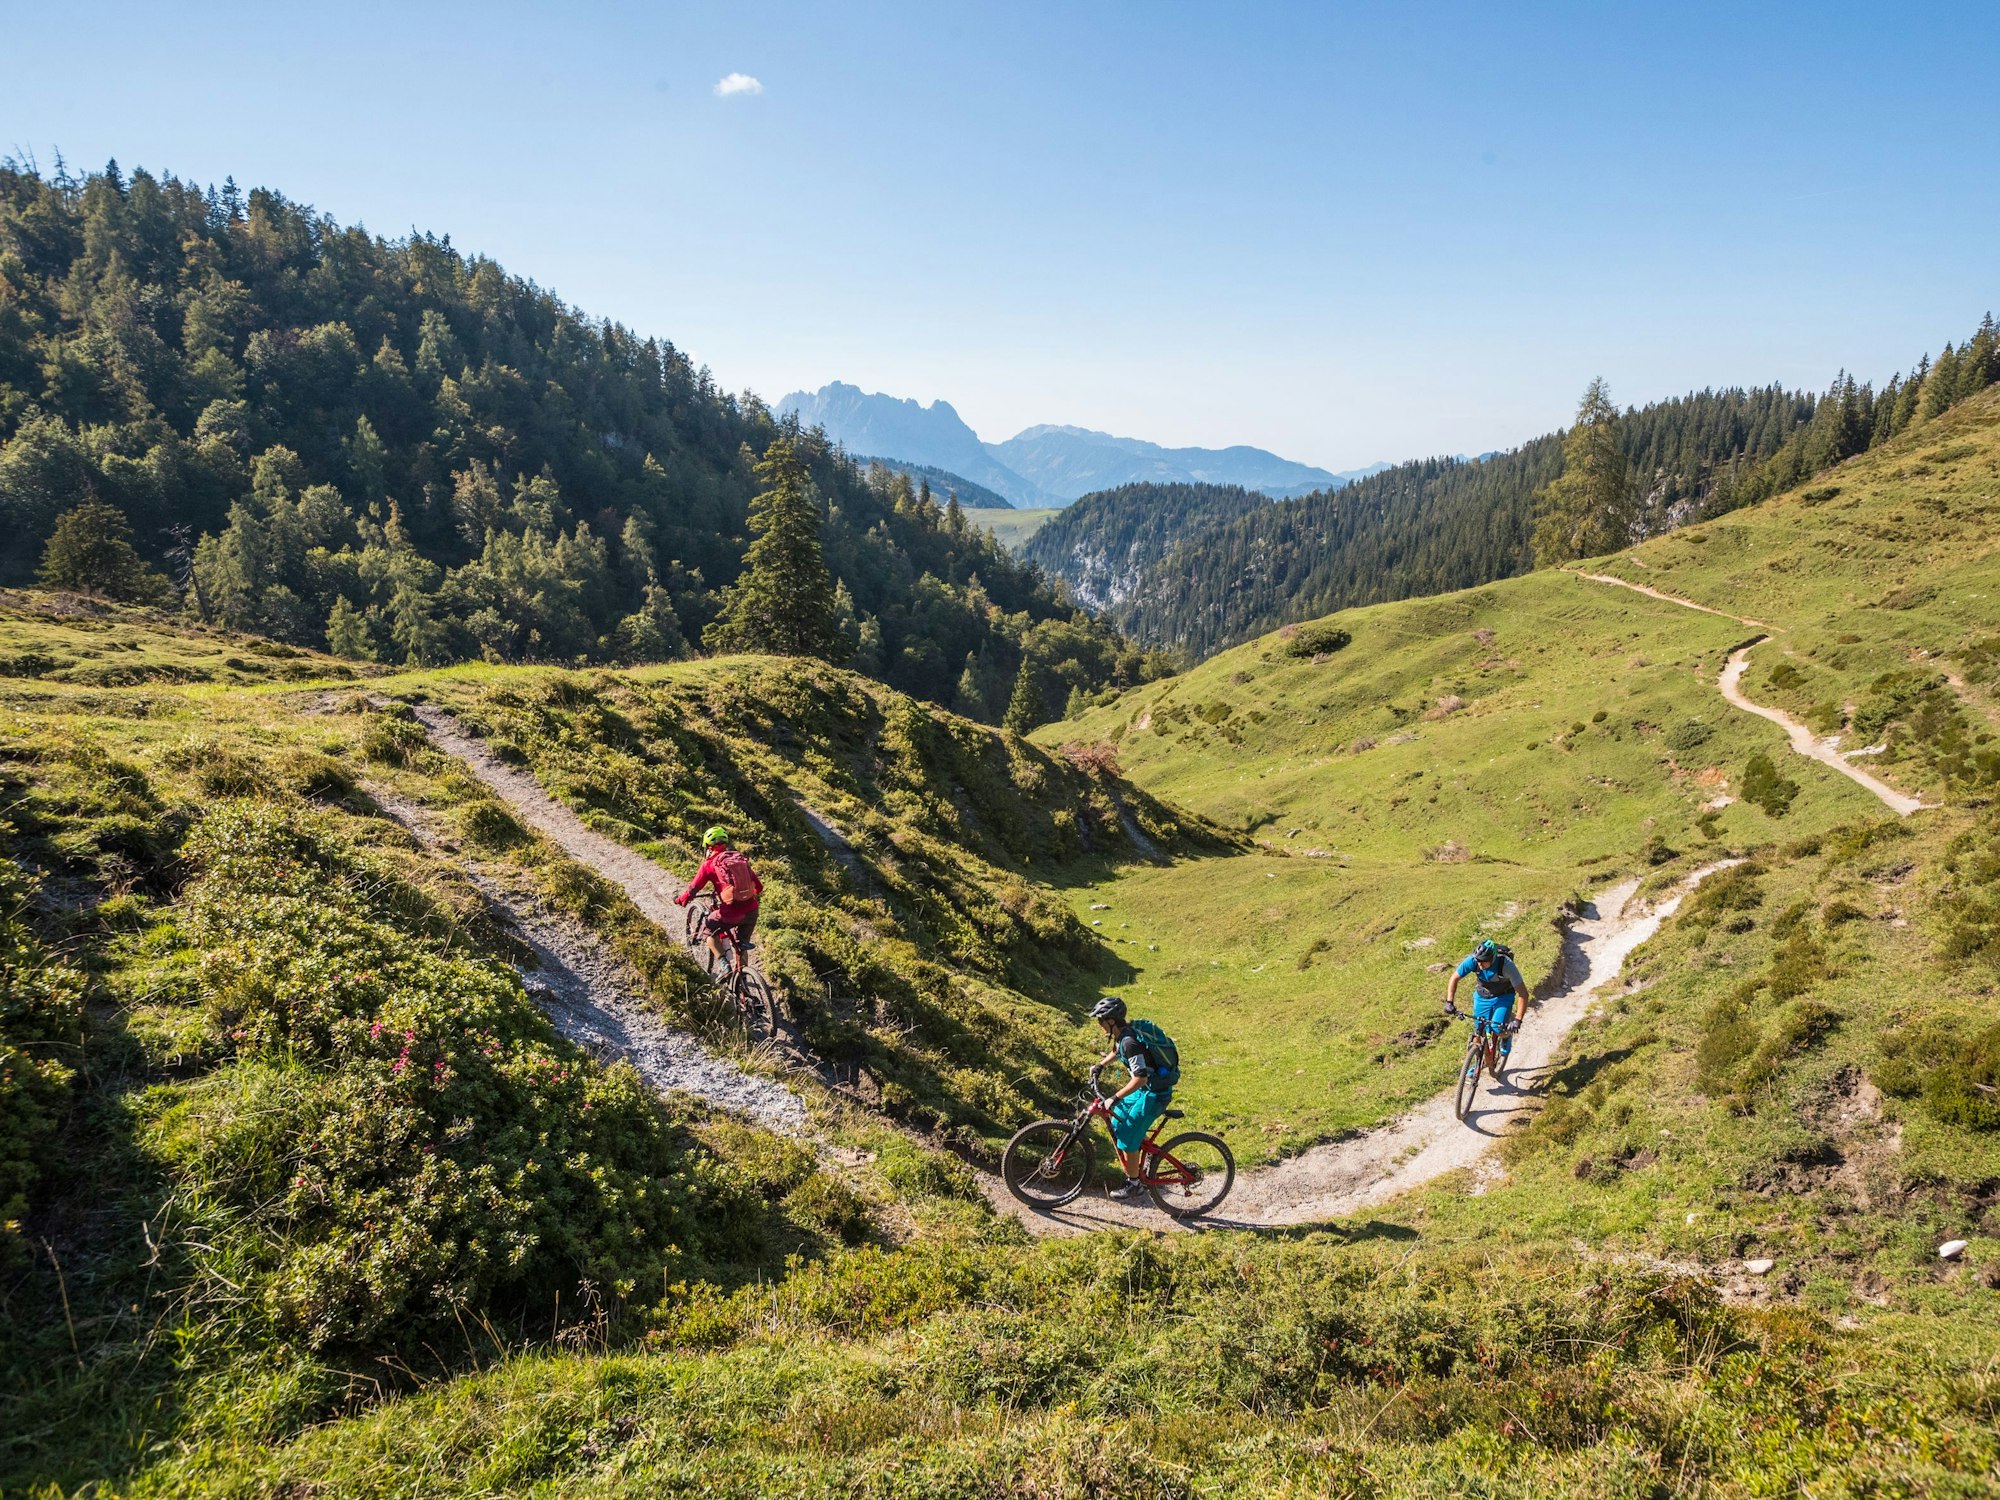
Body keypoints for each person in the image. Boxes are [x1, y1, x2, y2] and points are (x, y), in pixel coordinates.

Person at [1087, 995, 1181, 1200]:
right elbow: (1116, 1050)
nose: (1099, 1024)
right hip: (1146, 1090)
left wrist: (1114, 1096)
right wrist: (1100, 1065)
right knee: (1117, 1118)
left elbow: (1140, 1078)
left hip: (1155, 1094)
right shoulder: (1123, 1035)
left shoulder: (1130, 1043)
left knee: (1127, 1133)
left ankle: (1134, 1184)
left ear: (1111, 1021)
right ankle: (1141, 1148)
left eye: (1100, 1020)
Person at [673, 826, 763, 977]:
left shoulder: (709, 864)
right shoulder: (739, 859)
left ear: (708, 847)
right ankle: (743, 980)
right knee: (742, 946)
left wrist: (681, 900)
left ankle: (724, 966)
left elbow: (693, 889)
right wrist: (742, 895)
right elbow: (758, 887)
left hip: (731, 914)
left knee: (708, 932)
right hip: (752, 911)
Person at [1445, 938, 1529, 1074]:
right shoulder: (1474, 960)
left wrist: (1518, 1020)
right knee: (1479, 1030)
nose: (1479, 965)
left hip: (1503, 997)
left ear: (1493, 959)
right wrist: (1449, 1002)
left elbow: (1523, 994)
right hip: (1482, 996)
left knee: (1496, 1027)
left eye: (1483, 962)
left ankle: (1506, 1037)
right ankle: (1479, 1062)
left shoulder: (1506, 966)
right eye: (1478, 961)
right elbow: (1454, 978)